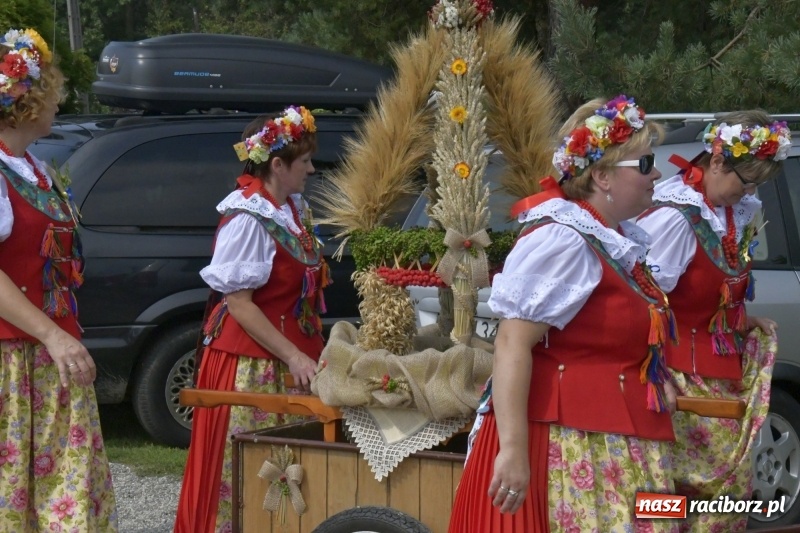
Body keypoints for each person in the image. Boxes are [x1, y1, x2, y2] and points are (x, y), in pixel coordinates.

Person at [449, 95, 679, 532]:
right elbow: (512, 342)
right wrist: (513, 450)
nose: (657, 174)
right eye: (645, 163)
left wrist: (654, 377)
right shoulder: (566, 240)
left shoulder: (615, 240)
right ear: (602, 175)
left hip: (617, 438)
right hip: (574, 442)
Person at [174, 105, 330, 532]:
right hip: (251, 366)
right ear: (277, 165)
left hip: (287, 361)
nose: (312, 169)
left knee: (293, 476)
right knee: (244, 477)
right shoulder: (248, 217)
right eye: (305, 162)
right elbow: (239, 303)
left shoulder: (290, 209)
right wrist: (295, 357)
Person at [636, 111, 789, 532]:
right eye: (747, 181)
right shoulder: (676, 218)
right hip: (679, 375)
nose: (750, 192)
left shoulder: (727, 212)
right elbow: (646, 298)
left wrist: (742, 321)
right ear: (718, 163)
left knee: (722, 498)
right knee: (677, 494)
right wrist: (655, 373)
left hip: (716, 373)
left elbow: (707, 294)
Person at [0, 28, 118, 531]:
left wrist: (57, 339)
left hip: (49, 359)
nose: (59, 103)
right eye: (51, 93)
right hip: (12, 362)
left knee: (64, 500)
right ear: (26, 102)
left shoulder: (34, 169)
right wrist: (51, 334)